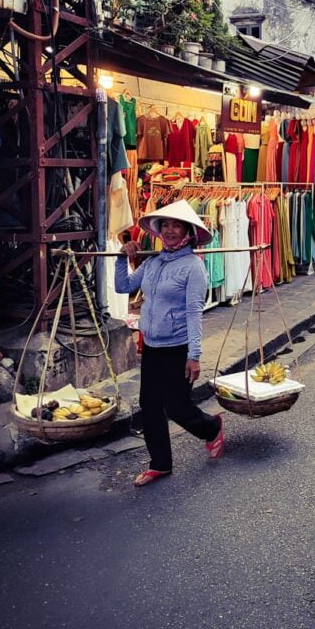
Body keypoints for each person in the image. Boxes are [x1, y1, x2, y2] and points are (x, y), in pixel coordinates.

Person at [116, 200, 224, 487]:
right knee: (149, 405)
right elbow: (123, 287)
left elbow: (194, 313)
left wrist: (195, 355)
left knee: (177, 406)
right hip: (152, 345)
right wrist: (121, 257)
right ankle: (160, 463)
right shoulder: (152, 263)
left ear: (188, 232)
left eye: (177, 225)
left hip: (178, 348)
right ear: (159, 230)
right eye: (166, 224)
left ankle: (211, 428)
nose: (171, 230)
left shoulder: (193, 268)